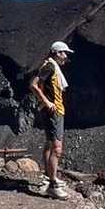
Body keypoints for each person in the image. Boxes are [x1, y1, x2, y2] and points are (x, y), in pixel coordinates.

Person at [28, 40, 73, 199]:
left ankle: (50, 177)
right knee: (57, 148)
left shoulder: (51, 66)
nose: (66, 56)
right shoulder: (50, 66)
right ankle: (53, 186)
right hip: (53, 111)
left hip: (53, 110)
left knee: (49, 144)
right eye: (64, 53)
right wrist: (47, 102)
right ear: (57, 53)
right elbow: (33, 85)